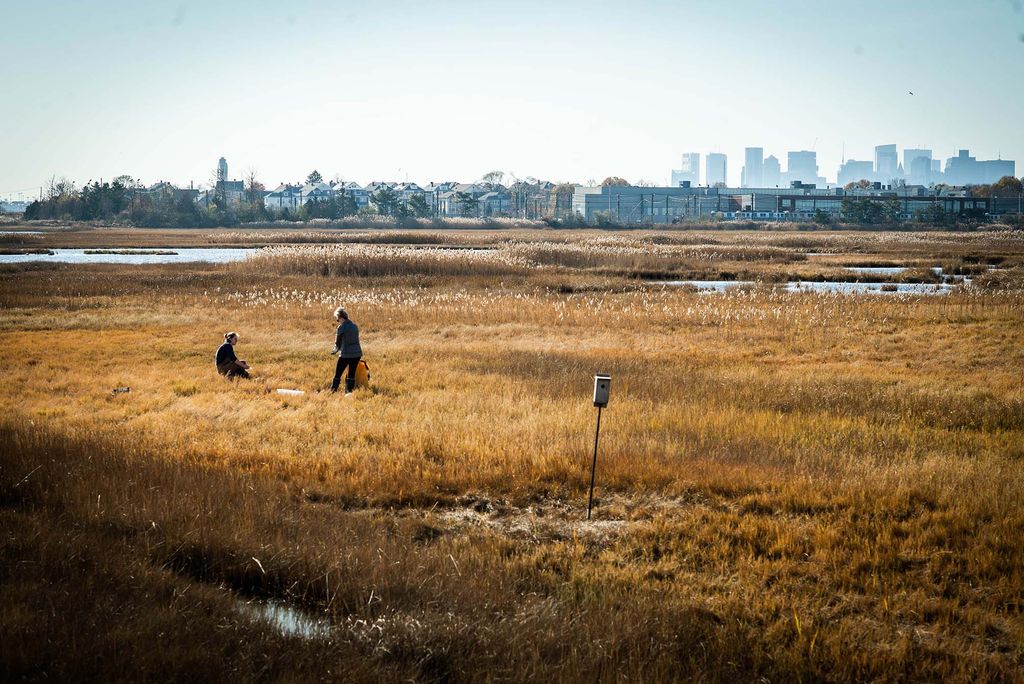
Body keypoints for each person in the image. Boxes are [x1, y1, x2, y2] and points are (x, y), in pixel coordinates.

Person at [330, 307, 362, 394]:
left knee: (338, 374)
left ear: (340, 317)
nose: (337, 321)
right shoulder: (355, 326)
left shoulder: (341, 327)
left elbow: (337, 344)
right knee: (351, 374)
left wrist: (334, 351)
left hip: (346, 354)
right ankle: (349, 392)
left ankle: (332, 391)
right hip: (357, 354)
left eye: (337, 319)